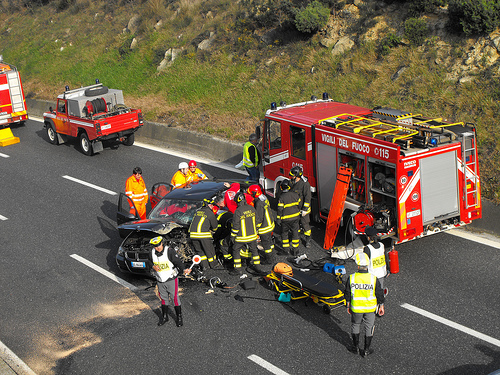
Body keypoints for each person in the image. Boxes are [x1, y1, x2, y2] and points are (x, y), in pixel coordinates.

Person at [345, 252, 385, 357]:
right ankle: (366, 349)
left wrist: (348, 305)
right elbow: (379, 293)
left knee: (355, 325)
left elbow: (347, 293)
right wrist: (381, 306)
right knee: (369, 327)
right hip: (370, 308)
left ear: (358, 266)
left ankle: (355, 348)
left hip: (356, 308)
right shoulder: (373, 278)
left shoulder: (352, 278)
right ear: (367, 266)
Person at [149, 236, 191, 327]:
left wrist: (184, 269)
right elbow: (148, 261)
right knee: (163, 299)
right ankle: (165, 317)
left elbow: (178, 262)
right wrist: (153, 266)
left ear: (162, 243)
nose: (157, 248)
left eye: (159, 245)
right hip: (160, 279)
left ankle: (179, 318)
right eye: (155, 246)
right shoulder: (151, 252)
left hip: (171, 278)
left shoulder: (169, 251)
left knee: (174, 298)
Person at [230, 191, 264, 274]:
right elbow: (258, 222)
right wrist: (254, 230)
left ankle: (238, 269)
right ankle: (257, 267)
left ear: (238, 202)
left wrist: (232, 237)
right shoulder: (252, 208)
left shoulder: (238, 211)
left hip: (241, 238)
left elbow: (235, 227)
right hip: (252, 236)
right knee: (254, 251)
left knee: (235, 250)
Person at [188, 198, 222, 270]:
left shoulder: (197, 211)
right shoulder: (210, 213)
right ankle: (214, 265)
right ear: (209, 205)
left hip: (193, 235)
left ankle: (205, 266)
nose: (213, 207)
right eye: (212, 205)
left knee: (200, 251)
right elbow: (215, 226)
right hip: (203, 235)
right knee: (209, 251)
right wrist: (214, 231)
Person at [247, 184, 276, 264]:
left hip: (264, 228)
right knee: (269, 242)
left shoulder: (259, 203)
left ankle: (270, 260)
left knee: (266, 245)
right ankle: (272, 255)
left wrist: (256, 229)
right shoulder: (263, 198)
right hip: (270, 224)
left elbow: (259, 218)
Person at [276, 179, 301, 256]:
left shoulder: (281, 197)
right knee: (295, 233)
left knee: (284, 234)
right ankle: (295, 250)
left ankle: (286, 250)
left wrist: (278, 219)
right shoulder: (295, 195)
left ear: (281, 188)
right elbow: (299, 205)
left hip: (285, 220)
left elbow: (280, 209)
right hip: (295, 218)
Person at [289, 166, 312, 248]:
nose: (291, 177)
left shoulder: (305, 184)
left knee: (305, 225)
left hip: (303, 209)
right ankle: (296, 238)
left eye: (293, 176)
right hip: (295, 208)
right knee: (295, 225)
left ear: (297, 175)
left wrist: (305, 209)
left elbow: (307, 197)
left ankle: (308, 239)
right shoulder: (293, 182)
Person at [363, 226, 388, 296]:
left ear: (368, 237)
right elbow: (386, 257)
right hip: (381, 273)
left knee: (372, 292)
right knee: (380, 289)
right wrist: (388, 269)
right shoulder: (382, 245)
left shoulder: (367, 248)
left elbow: (365, 262)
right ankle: (381, 301)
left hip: (372, 275)